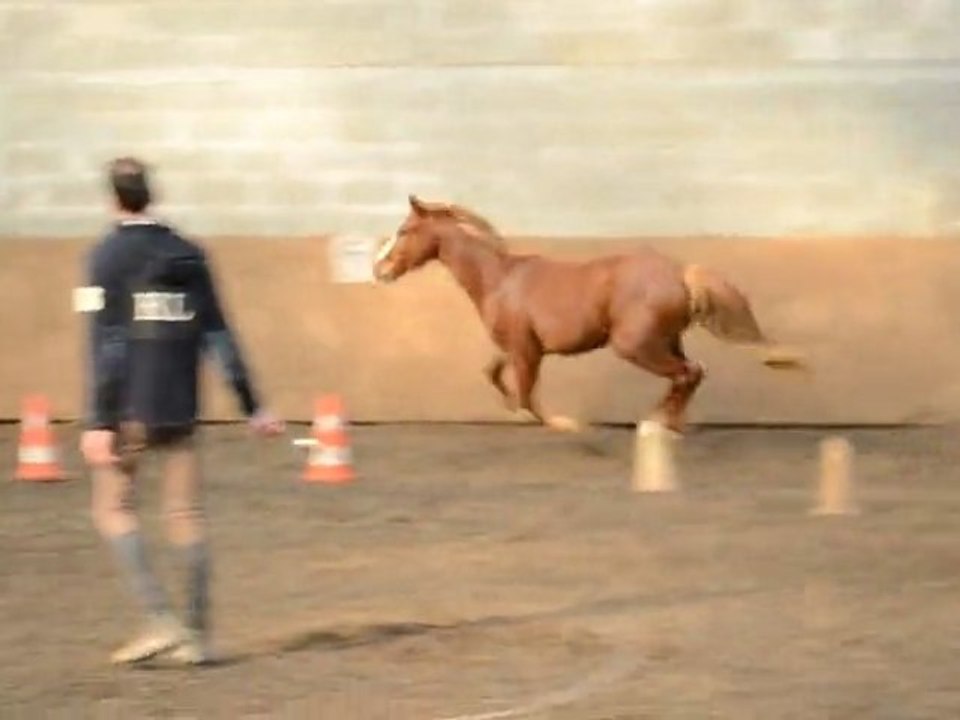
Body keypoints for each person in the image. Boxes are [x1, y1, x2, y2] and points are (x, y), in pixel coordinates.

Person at [78, 156, 284, 666]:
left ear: (112, 199)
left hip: (129, 408)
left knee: (112, 508)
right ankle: (197, 636)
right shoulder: (189, 254)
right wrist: (253, 406)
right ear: (152, 194)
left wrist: (100, 420)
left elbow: (107, 343)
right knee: (186, 515)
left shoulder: (104, 257)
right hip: (180, 405)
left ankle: (158, 619)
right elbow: (220, 334)